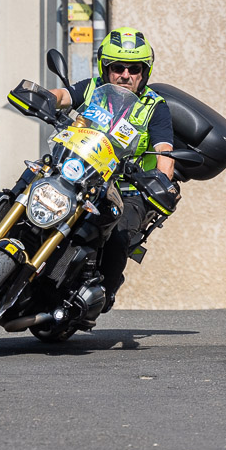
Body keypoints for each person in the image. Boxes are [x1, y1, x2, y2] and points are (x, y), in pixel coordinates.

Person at [48, 27, 178, 314]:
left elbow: (164, 154)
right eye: (117, 67)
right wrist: (38, 95)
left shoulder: (154, 107)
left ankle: (104, 288)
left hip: (128, 188)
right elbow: (61, 95)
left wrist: (161, 180)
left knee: (119, 232)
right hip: (80, 174)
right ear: (104, 68)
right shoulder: (93, 88)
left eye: (134, 69)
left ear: (145, 72)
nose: (125, 75)